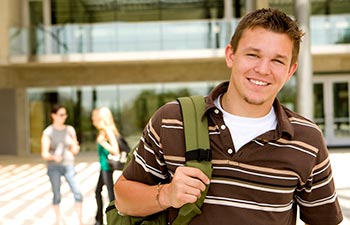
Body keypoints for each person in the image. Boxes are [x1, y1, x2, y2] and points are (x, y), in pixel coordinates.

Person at [114, 8, 343, 225]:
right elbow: (123, 198)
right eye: (253, 55)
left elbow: (324, 221)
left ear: (291, 70)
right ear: (230, 55)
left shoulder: (307, 139)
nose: (263, 69)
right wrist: (166, 195)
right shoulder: (173, 120)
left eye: (277, 61)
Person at [41, 104, 84, 225]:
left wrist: (75, 147)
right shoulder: (48, 132)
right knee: (56, 194)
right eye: (61, 114)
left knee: (77, 192)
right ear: (53, 115)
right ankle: (57, 221)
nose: (64, 117)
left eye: (65, 114)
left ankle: (80, 221)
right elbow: (44, 153)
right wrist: (54, 157)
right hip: (54, 167)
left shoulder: (70, 129)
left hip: (69, 165)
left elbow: (75, 148)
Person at [91, 107, 122, 225]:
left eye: (94, 116)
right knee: (98, 191)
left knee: (110, 196)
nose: (92, 119)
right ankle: (99, 220)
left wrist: (102, 142)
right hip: (103, 167)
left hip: (107, 168)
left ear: (100, 118)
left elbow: (115, 150)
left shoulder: (108, 130)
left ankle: (113, 220)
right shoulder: (103, 131)